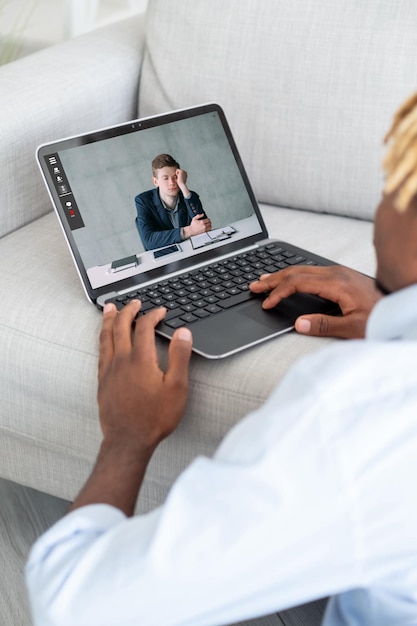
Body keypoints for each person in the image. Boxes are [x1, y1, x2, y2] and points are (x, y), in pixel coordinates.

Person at [26, 92, 417, 626]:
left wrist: (125, 437)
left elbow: (74, 605)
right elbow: (158, 237)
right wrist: (394, 310)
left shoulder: (353, 411)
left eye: (391, 184)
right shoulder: (145, 201)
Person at [135, 153, 212, 250]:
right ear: (155, 182)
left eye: (175, 177)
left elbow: (204, 227)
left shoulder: (190, 196)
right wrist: (190, 230)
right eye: (165, 178)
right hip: (166, 258)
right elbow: (149, 241)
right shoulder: (143, 201)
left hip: (193, 252)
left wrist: (183, 186)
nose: (172, 183)